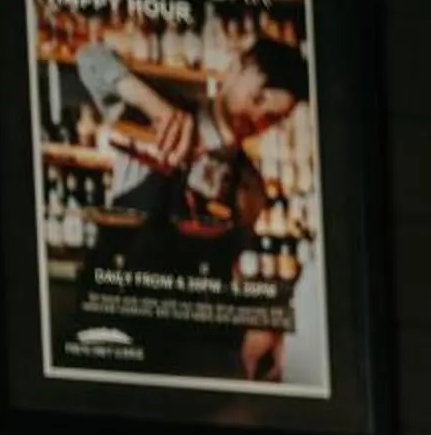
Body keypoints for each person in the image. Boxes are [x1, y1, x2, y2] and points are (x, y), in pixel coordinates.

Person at [72, 30, 311, 382]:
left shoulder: (250, 188)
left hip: (187, 358)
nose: (256, 114)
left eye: (272, 116)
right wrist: (157, 108)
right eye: (256, 96)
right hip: (109, 336)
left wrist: (255, 325)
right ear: (234, 69)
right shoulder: (154, 117)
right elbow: (88, 58)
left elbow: (226, 278)